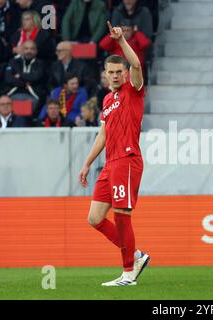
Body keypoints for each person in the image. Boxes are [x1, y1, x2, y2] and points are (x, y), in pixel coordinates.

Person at [78, 21, 150, 286]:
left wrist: (121, 41)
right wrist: (87, 164)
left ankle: (129, 273)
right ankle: (136, 255)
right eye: (111, 72)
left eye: (120, 71)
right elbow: (103, 135)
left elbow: (137, 65)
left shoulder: (134, 90)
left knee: (122, 216)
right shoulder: (108, 100)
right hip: (109, 164)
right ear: (105, 74)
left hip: (127, 160)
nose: (116, 75)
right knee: (95, 218)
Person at [4, 40, 46, 114]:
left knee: (24, 113)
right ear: (22, 50)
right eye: (26, 49)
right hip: (13, 93)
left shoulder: (41, 63)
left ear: (36, 51)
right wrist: (24, 83)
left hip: (33, 95)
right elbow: (8, 78)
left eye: (32, 49)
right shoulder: (13, 62)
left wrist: (19, 75)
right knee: (6, 104)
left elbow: (36, 77)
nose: (29, 51)